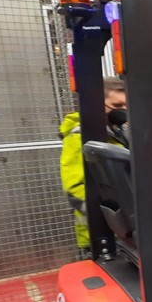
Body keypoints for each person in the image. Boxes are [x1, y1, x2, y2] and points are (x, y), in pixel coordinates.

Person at [59, 77, 128, 250]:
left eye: (126, 105)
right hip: (99, 235)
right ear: (96, 104)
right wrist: (111, 217)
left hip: (125, 230)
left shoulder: (117, 132)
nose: (123, 110)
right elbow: (75, 189)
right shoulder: (79, 136)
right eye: (117, 105)